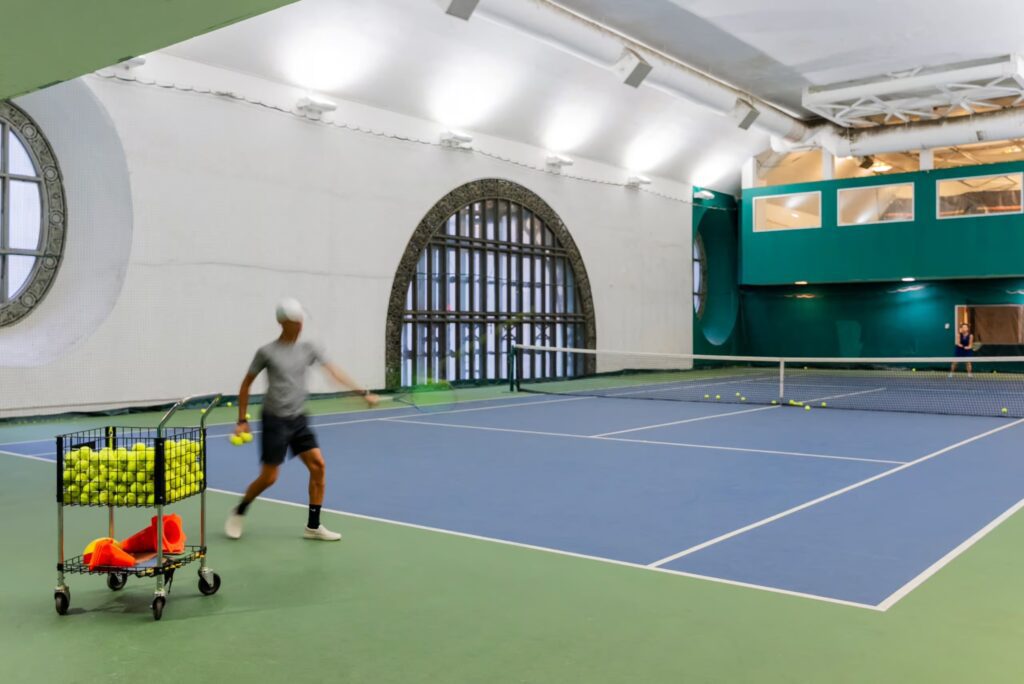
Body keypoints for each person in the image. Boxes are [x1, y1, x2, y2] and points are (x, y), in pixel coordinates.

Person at [225, 298, 379, 541]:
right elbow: (246, 384)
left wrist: (363, 393)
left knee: (318, 466)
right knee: (270, 477)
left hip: (298, 419)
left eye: (301, 321)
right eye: (296, 321)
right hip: (274, 419)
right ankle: (240, 509)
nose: (300, 325)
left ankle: (313, 526)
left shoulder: (308, 348)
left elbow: (333, 372)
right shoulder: (266, 352)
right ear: (284, 323)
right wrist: (241, 419)